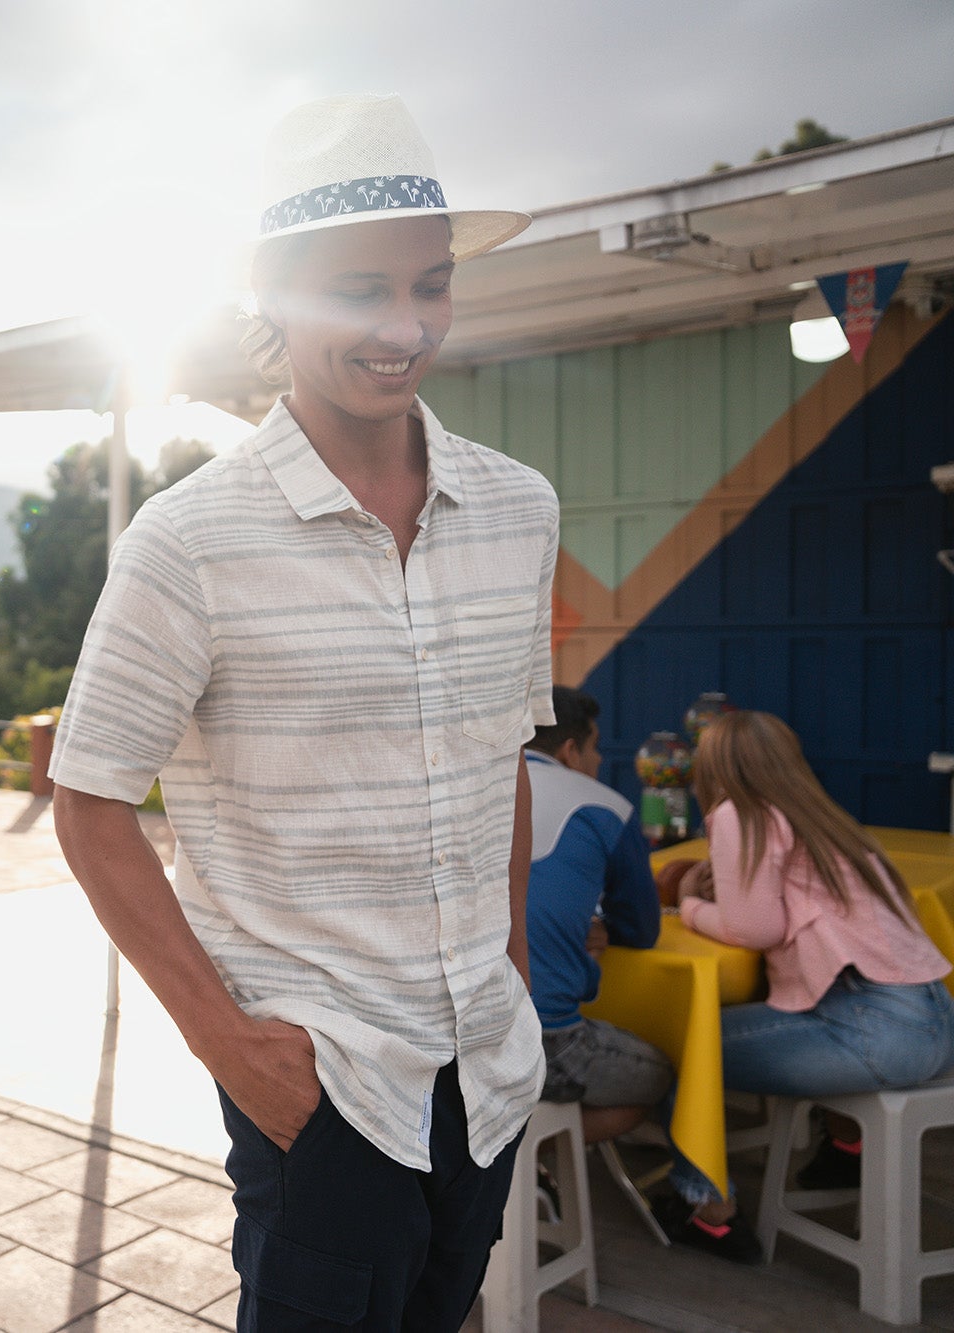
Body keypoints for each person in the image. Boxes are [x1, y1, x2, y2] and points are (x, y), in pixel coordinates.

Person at [50, 95, 556, 1330]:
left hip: (482, 1069)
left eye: (428, 286)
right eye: (356, 290)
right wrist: (226, 1041)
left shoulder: (517, 508)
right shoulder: (189, 539)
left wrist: (514, 979)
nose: (402, 326)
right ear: (271, 298)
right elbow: (87, 799)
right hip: (320, 1083)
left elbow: (502, 760)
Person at [662, 710, 954, 1261]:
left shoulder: (737, 814)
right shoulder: (825, 819)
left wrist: (691, 907)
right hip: (936, 1022)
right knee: (759, 1026)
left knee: (687, 1043)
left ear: (715, 768)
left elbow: (756, 928)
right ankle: (844, 1146)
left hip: (875, 1029)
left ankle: (706, 1210)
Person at [525, 687, 672, 1143]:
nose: (600, 760)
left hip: (452, 1038)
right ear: (570, 750)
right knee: (665, 1073)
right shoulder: (605, 806)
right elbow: (641, 930)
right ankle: (532, 1157)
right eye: (595, 747)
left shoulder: (466, 792)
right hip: (549, 1042)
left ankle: (513, 1160)